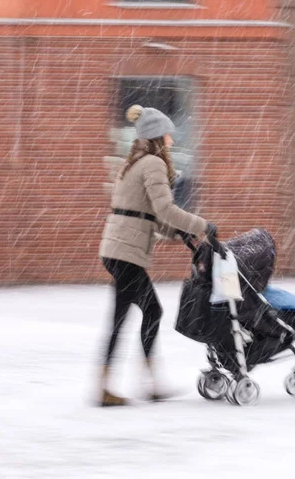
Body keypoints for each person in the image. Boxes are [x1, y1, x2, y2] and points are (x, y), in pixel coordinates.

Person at [97, 104, 212, 407]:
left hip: (117, 249)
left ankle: (116, 385)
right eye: (168, 135)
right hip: (126, 252)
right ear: (158, 136)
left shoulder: (133, 162)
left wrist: (178, 233)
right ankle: (134, 385)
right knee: (145, 314)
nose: (172, 141)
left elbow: (145, 213)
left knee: (131, 316)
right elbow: (165, 209)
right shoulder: (153, 163)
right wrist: (202, 225)